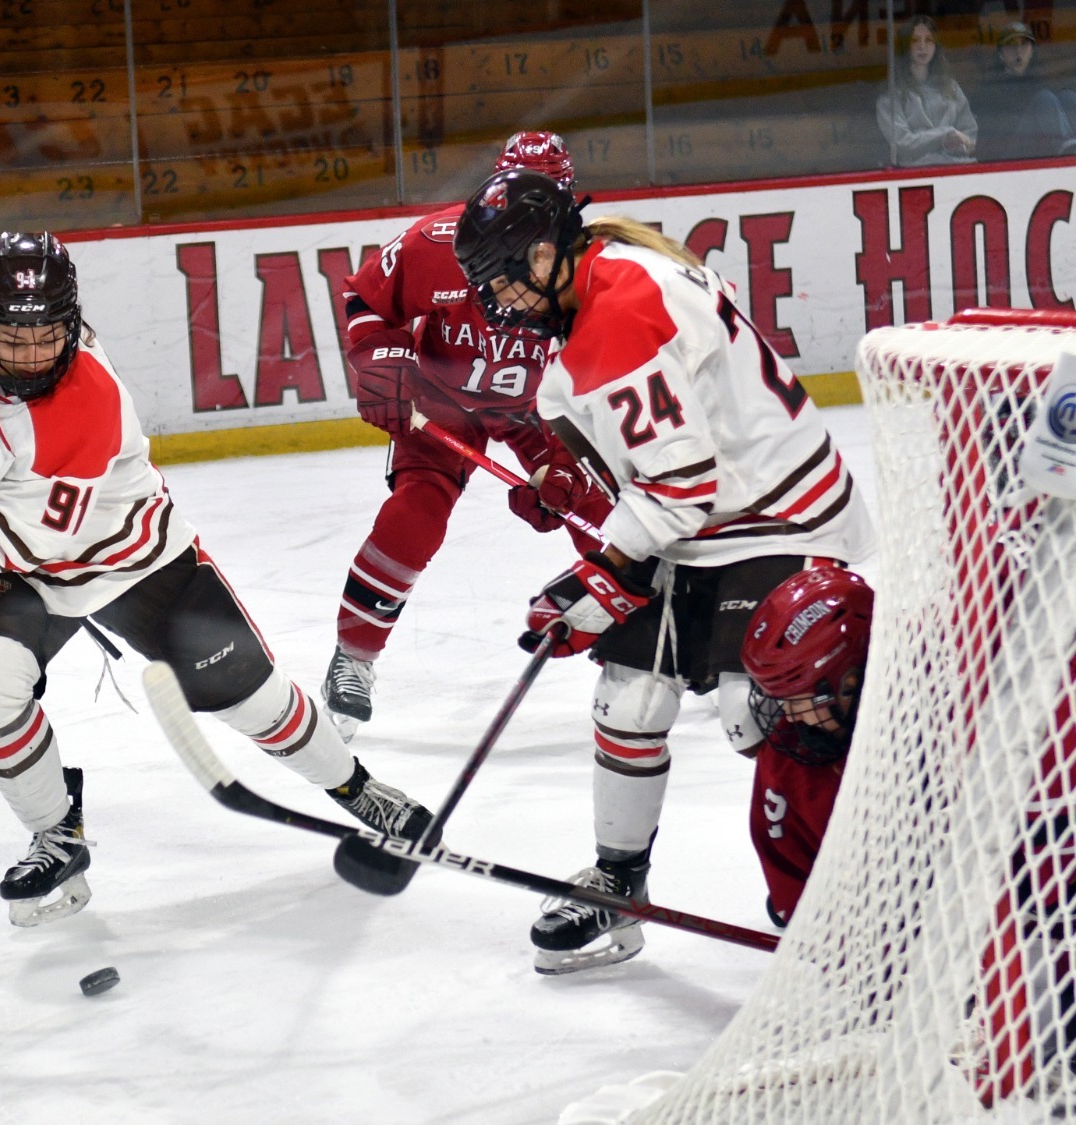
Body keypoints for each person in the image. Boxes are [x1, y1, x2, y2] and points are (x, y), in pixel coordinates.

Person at [0, 205, 435, 926]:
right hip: (13, 555)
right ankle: (55, 831)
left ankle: (358, 789)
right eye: (13, 339)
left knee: (253, 701)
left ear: (71, 323)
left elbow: (30, 543)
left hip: (135, 559)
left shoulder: (86, 407)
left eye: (49, 337)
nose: (33, 357)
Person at [452, 168, 876, 973]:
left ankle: (853, 882)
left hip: (778, 513)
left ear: (548, 254)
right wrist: (579, 493)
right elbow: (656, 457)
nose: (499, 298)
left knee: (765, 705)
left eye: (507, 275)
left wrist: (598, 577)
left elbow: (680, 487)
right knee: (631, 694)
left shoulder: (617, 312)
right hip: (710, 516)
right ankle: (618, 887)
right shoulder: (606, 254)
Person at [322, 131, 612, 738]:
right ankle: (354, 657)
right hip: (441, 401)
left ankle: (642, 630)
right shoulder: (435, 244)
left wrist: (562, 462)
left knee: (598, 513)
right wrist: (378, 360)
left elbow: (591, 380)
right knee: (414, 514)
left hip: (541, 409)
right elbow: (364, 299)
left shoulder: (592, 269)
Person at [739, 566, 873, 928]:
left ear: (854, 679)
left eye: (801, 698)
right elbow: (784, 858)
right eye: (781, 698)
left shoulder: (949, 718)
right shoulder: (789, 760)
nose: (789, 715)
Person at [878, 15, 980, 166]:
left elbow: (970, 135)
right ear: (905, 45)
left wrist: (955, 144)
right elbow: (901, 143)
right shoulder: (890, 97)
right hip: (916, 173)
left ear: (936, 46)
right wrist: (943, 137)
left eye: (929, 40)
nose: (922, 46)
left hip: (959, 169)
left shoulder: (951, 87)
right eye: (915, 40)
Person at [972, 22, 1076, 161]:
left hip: (1041, 150)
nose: (1018, 51)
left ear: (1032, 51)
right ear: (1001, 54)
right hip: (1007, 155)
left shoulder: (1040, 82)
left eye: (1024, 44)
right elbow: (990, 135)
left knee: (1068, 97)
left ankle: (1070, 148)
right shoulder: (990, 88)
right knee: (1044, 99)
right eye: (1011, 45)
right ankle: (1067, 150)